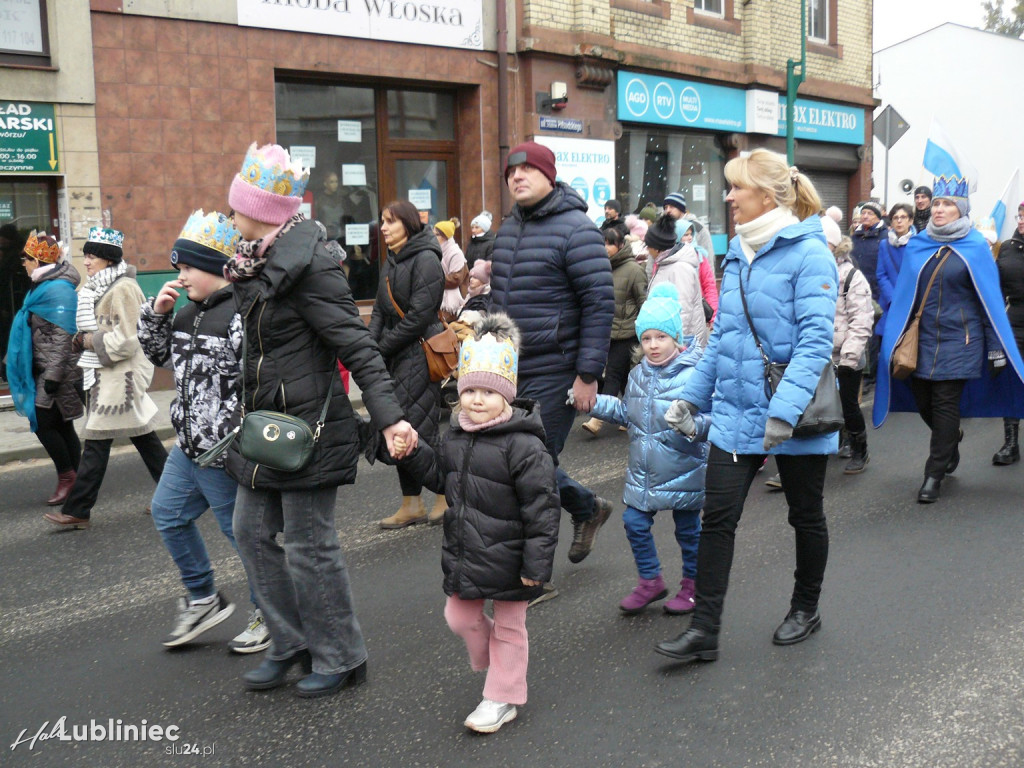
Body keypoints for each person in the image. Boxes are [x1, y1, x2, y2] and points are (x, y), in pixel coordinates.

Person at [223, 143, 415, 698]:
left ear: (261, 212)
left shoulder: (310, 266)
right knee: (250, 533)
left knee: (309, 545)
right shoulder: (250, 262)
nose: (231, 215)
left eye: (238, 207)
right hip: (262, 428)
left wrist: (390, 419)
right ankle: (289, 644)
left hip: (310, 431)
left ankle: (340, 654)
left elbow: (358, 347)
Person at [655, 148, 838, 663]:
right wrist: (689, 397)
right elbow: (722, 339)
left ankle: (806, 607)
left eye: (737, 187)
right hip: (734, 412)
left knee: (805, 515)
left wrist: (783, 411)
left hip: (795, 413)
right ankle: (704, 630)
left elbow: (815, 342)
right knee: (718, 519)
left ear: (769, 193)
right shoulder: (737, 249)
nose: (728, 196)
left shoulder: (810, 252)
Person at [395, 314, 559, 734]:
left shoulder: (524, 445)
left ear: (507, 396)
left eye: (488, 391)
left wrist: (535, 566)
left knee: (510, 625)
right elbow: (439, 478)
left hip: (513, 556)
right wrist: (414, 452)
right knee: (458, 616)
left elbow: (542, 510)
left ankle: (501, 696)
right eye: (470, 390)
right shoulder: (455, 435)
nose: (477, 400)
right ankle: (496, 660)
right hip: (468, 551)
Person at [137, 210, 270, 653]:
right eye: (179, 268)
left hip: (224, 451)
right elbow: (161, 358)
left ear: (215, 269)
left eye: (188, 268)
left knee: (245, 536)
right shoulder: (186, 312)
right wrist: (157, 316)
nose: (181, 276)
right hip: (188, 446)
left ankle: (269, 610)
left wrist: (234, 435)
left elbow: (257, 381)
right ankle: (203, 598)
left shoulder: (239, 315)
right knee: (167, 514)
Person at [488, 141, 616, 566]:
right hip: (509, 369)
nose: (517, 177)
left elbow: (599, 302)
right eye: (511, 172)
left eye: (527, 170)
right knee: (513, 465)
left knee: (530, 467)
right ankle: (586, 507)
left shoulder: (578, 229)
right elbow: (501, 299)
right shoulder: (508, 230)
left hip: (557, 369)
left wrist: (588, 373)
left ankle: (528, 577)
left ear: (549, 175)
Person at [874, 176, 1024, 503]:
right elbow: (905, 296)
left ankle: (933, 474)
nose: (940, 209)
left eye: (947, 205)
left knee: (944, 404)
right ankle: (951, 437)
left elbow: (989, 302)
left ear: (961, 211)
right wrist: (891, 334)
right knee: (924, 401)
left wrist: (996, 347)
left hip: (962, 341)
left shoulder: (975, 248)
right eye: (937, 204)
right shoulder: (918, 244)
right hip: (921, 340)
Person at [583, 284, 708, 615]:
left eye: (661, 337)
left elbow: (714, 417)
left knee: (689, 533)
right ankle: (650, 581)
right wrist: (594, 403)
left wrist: (694, 426)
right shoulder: (637, 374)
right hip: (644, 471)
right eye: (647, 338)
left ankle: (694, 587)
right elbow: (627, 413)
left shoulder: (696, 374)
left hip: (686, 467)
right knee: (635, 523)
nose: (653, 345)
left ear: (676, 338)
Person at [44, 228, 169, 530]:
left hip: (121, 378)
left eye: (91, 256)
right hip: (107, 376)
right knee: (145, 440)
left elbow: (128, 340)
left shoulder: (123, 289)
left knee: (97, 441)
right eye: (85, 256)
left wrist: (87, 341)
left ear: (107, 259)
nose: (85, 262)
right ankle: (177, 496)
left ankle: (78, 510)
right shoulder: (100, 287)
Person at [371, 199, 447, 528]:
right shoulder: (391, 261)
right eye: (383, 221)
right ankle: (411, 503)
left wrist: (383, 346)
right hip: (397, 354)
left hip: (419, 352)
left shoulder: (427, 258)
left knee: (423, 425)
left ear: (408, 223)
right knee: (401, 424)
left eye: (390, 221)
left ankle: (446, 495)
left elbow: (419, 316)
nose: (383, 227)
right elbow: (378, 311)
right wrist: (370, 346)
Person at [6, 232, 82, 506]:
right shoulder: (42, 286)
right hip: (45, 368)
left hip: (57, 372)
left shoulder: (57, 289)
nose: (23, 264)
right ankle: (78, 478)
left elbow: (63, 337)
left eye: (25, 259)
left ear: (37, 261)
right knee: (62, 426)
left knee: (42, 423)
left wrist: (52, 377)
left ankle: (67, 477)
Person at [581, 227, 647, 437]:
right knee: (627, 379)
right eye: (602, 243)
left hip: (627, 332)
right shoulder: (601, 269)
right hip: (607, 331)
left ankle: (598, 418)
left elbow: (643, 301)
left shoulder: (634, 270)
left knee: (612, 375)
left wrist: (642, 329)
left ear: (620, 245)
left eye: (609, 243)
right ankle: (631, 416)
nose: (605, 248)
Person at [826, 226, 874, 474]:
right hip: (817, 353)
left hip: (845, 354)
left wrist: (850, 356)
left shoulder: (852, 276)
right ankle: (808, 455)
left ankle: (859, 448)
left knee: (847, 404)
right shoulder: (808, 272)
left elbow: (861, 319)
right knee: (812, 405)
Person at [644, 214, 708, 347]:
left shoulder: (679, 268)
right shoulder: (667, 263)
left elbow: (683, 311)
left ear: (656, 248)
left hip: (684, 344)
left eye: (648, 245)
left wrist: (676, 345)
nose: (647, 249)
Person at [993, 201, 1024, 465]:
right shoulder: (1006, 248)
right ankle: (1011, 443)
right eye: (1021, 216)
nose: (1022, 220)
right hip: (1013, 322)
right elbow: (996, 287)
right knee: (1012, 382)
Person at [877, 202, 915, 335]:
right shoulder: (884, 244)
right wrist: (892, 298)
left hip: (911, 302)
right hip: (889, 303)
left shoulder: (918, 244)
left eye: (903, 217)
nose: (899, 221)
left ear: (910, 221)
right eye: (895, 218)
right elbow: (881, 274)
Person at [663, 192, 715, 260]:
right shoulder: (663, 228)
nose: (668, 210)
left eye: (671, 207)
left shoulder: (698, 228)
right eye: (666, 207)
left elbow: (708, 255)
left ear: (681, 209)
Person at [435, 218, 468, 323]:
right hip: (440, 297)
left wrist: (434, 280)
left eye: (437, 235)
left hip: (453, 301)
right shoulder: (438, 251)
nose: (433, 237)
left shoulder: (455, 253)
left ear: (445, 236)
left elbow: (455, 279)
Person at [314, 171, 345, 242]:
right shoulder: (319, 199)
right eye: (332, 182)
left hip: (340, 237)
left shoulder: (341, 199)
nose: (335, 185)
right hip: (326, 237)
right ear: (325, 183)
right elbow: (316, 218)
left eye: (336, 182)